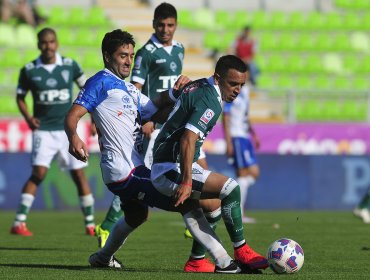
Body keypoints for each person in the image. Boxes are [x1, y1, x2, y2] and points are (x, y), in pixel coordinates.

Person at [64, 29, 244, 273]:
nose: (128, 60)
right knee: (187, 202)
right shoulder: (100, 82)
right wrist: (74, 137)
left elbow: (154, 110)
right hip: (123, 169)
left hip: (134, 167)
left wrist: (176, 91)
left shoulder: (127, 89)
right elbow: (73, 115)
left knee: (138, 215)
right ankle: (224, 262)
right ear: (107, 57)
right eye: (122, 55)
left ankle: (102, 258)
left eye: (131, 55)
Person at [94, 2, 214, 260]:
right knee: (142, 179)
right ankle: (108, 225)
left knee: (194, 171)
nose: (166, 29)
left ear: (176, 25)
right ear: (153, 24)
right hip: (153, 123)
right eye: (161, 24)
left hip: (173, 120)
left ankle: (202, 228)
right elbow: (134, 88)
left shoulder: (180, 49)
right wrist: (143, 117)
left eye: (170, 25)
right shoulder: (146, 52)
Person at [151, 55, 268, 272]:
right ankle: (241, 249)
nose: (237, 90)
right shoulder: (211, 101)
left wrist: (151, 117)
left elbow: (174, 110)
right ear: (218, 78)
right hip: (169, 168)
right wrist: (186, 181)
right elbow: (188, 138)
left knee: (213, 205)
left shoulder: (197, 86)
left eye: (241, 85)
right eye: (232, 83)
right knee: (231, 188)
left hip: (169, 163)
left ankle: (198, 261)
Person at [10, 27, 95, 236]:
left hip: (69, 130)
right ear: (39, 45)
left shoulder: (70, 65)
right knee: (38, 173)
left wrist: (94, 119)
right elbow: (20, 97)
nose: (48, 46)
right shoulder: (29, 69)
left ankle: (90, 224)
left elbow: (88, 90)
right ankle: (19, 222)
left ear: (56, 43)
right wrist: (29, 118)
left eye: (51, 42)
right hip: (44, 131)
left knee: (79, 175)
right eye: (44, 43)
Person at [222, 84, 260, 224]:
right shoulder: (232, 91)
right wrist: (228, 141)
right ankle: (239, 213)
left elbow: (245, 115)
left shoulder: (246, 91)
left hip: (245, 137)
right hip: (236, 136)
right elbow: (225, 116)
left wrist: (253, 134)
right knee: (243, 174)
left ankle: (233, 206)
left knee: (254, 172)